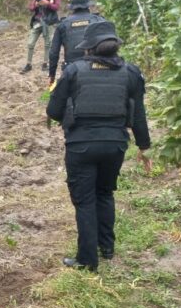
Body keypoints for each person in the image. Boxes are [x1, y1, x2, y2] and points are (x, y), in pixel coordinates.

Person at [47, 21, 152, 271]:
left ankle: (87, 260)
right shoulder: (131, 73)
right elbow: (139, 115)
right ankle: (107, 248)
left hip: (81, 145)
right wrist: (144, 147)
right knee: (104, 193)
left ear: (88, 48)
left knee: (85, 201)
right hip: (115, 145)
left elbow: (53, 110)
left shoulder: (74, 71)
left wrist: (68, 114)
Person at [48, 0, 104, 85]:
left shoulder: (63, 24)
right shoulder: (99, 20)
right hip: (96, 69)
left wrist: (52, 75)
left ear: (73, 7)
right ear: (88, 5)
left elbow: (54, 52)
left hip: (72, 70)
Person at [21, 0, 61, 74]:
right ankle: (28, 64)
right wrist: (37, 5)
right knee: (30, 43)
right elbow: (31, 7)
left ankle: (45, 63)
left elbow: (57, 7)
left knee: (48, 43)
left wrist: (48, 4)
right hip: (38, 21)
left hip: (49, 22)